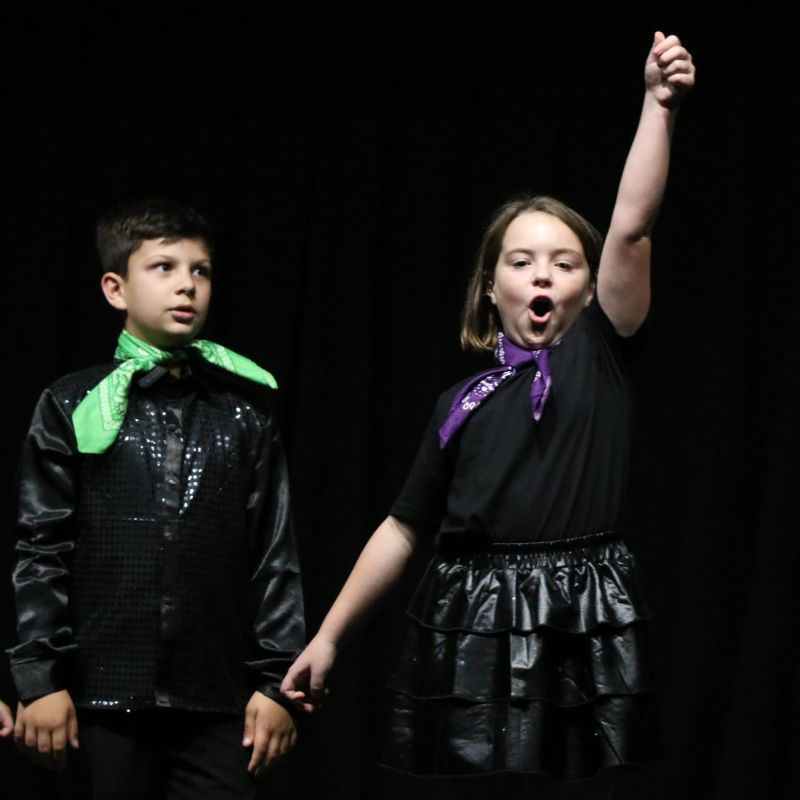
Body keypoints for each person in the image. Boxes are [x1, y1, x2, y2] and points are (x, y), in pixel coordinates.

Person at [282, 32, 695, 797]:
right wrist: (329, 637)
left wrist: (658, 105)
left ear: (587, 284)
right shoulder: (459, 404)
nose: (544, 274)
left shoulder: (601, 350)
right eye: (522, 260)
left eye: (565, 262)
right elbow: (405, 527)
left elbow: (632, 224)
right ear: (490, 286)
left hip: (577, 608)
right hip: (472, 612)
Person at [9, 199, 305, 799]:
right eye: (164, 268)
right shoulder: (72, 403)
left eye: (200, 271)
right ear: (116, 289)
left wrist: (277, 685)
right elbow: (42, 546)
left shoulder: (245, 416)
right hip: (97, 697)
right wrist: (40, 679)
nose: (187, 286)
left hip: (217, 700)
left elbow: (274, 558)